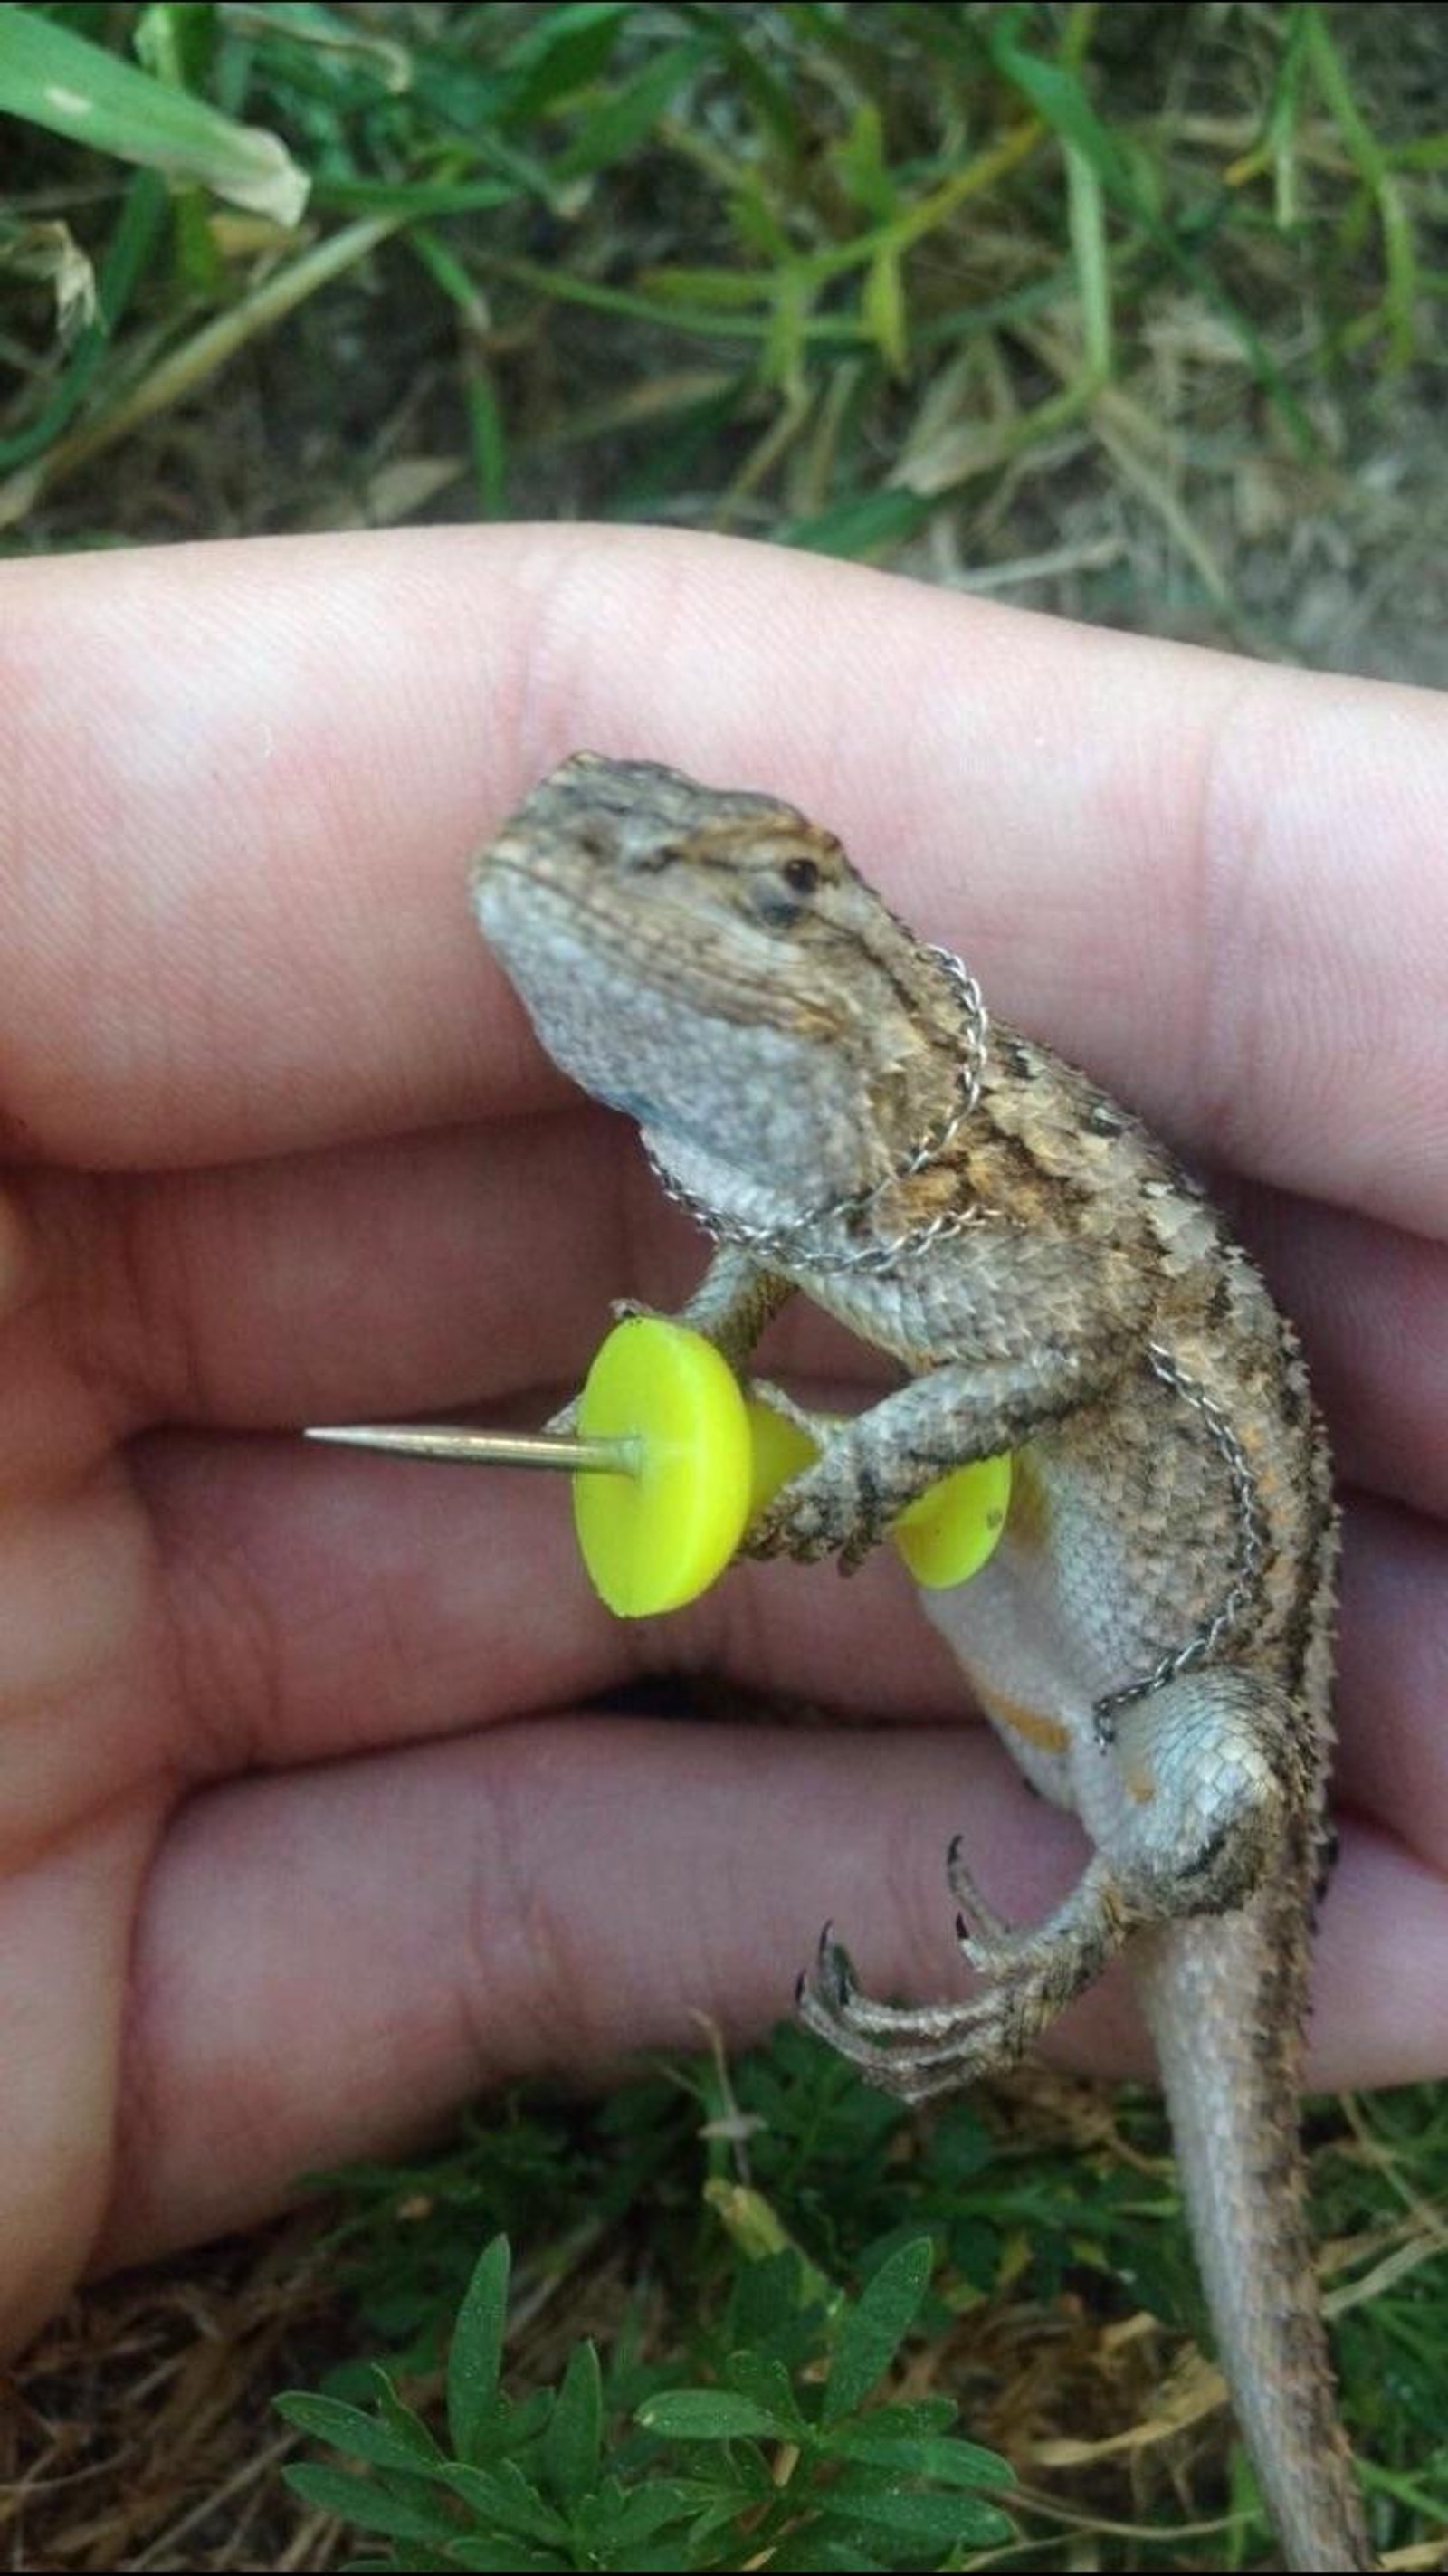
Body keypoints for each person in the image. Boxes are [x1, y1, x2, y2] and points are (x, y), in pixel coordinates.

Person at [2, 526, 1443, 2357]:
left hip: (1190, 1669)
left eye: (763, 887)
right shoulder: (834, 1167)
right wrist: (701, 1346)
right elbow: (776, 1235)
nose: (647, 888)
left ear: (863, 975)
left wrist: (864, 1472)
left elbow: (1075, 1341)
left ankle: (1077, 1946)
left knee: (1222, 1788)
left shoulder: (975, 1169)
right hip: (1060, 1640)